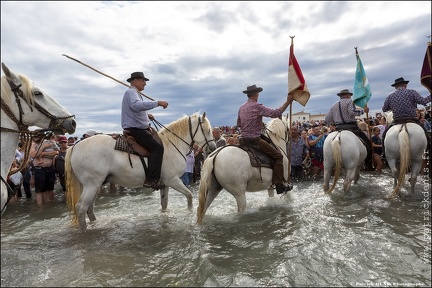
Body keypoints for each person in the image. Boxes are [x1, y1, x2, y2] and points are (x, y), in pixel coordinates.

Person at [237, 84, 294, 194]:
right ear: (256, 94)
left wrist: (255, 123)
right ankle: (279, 185)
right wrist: (288, 102)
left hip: (243, 140)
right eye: (258, 93)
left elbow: (239, 124)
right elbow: (275, 113)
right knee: (278, 156)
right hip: (254, 141)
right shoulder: (257, 106)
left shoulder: (241, 107)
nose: (258, 95)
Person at [121, 71, 169, 190]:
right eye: (143, 81)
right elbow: (136, 106)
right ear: (135, 81)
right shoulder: (131, 92)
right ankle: (151, 180)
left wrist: (147, 115)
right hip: (136, 129)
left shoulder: (134, 93)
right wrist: (157, 103)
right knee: (157, 148)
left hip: (137, 126)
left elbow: (135, 109)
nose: (145, 83)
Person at [325, 88, 374, 171]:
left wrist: (333, 123)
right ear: (347, 95)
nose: (350, 97)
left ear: (340, 96)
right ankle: (368, 164)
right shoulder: (350, 102)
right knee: (368, 144)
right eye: (349, 95)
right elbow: (352, 112)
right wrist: (363, 111)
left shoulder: (334, 105)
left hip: (338, 128)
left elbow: (327, 119)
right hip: (351, 127)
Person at [382, 77, 431, 150]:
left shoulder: (390, 96)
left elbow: (384, 109)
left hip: (397, 120)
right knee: (426, 134)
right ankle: (428, 151)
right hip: (412, 119)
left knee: (384, 135)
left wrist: (394, 105)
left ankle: (383, 153)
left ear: (395, 87)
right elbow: (423, 101)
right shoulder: (412, 92)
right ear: (405, 85)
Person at [29, 132, 59, 205]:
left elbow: (56, 152)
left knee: (49, 189)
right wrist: (43, 147)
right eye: (35, 136)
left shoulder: (50, 143)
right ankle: (40, 208)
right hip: (39, 169)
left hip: (50, 169)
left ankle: (47, 207)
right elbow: (33, 155)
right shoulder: (33, 145)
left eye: (39, 135)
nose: (37, 137)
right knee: (39, 191)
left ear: (43, 136)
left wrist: (43, 153)